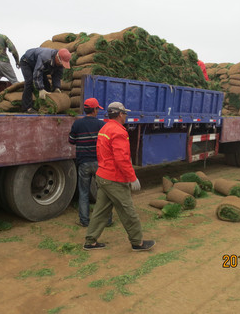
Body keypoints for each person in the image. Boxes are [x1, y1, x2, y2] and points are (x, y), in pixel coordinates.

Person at [83, 102, 155, 252]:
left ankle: (90, 241)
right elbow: (121, 159)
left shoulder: (105, 128)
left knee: (100, 211)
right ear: (120, 114)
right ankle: (137, 243)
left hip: (103, 176)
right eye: (125, 114)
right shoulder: (119, 132)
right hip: (114, 179)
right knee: (128, 211)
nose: (126, 116)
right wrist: (132, 177)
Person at [69, 98, 110, 227]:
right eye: (98, 108)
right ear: (95, 110)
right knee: (103, 192)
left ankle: (84, 221)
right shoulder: (101, 125)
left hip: (83, 163)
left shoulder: (77, 124)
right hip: (99, 163)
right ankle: (107, 221)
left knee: (84, 193)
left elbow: (71, 140)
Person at [19, 47, 71, 113]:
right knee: (29, 82)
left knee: (47, 85)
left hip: (38, 65)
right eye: (61, 63)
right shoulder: (45, 57)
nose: (61, 65)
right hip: (27, 62)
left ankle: (46, 106)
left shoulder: (60, 64)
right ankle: (27, 108)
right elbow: (38, 71)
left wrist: (56, 87)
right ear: (57, 58)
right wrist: (40, 89)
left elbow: (57, 76)